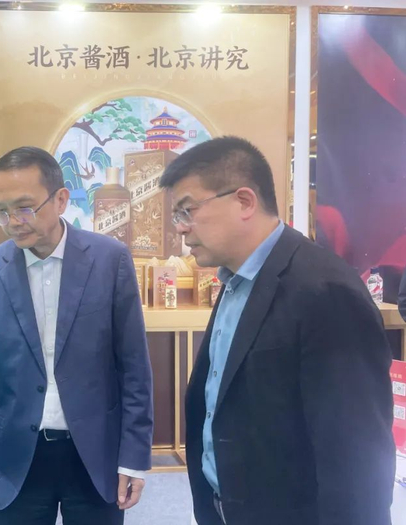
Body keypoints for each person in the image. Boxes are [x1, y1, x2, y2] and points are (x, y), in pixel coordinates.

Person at [159, 136, 395, 525]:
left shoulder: (325, 291)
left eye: (188, 210)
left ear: (244, 202)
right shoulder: (235, 280)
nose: (181, 229)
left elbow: (357, 459)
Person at [0, 146, 153, 525]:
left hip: (96, 454)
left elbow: (134, 368)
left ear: (61, 199)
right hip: (16, 457)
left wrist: (134, 457)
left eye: (24, 208)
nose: (13, 222)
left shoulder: (110, 260)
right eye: (1, 211)